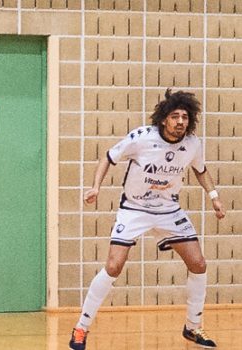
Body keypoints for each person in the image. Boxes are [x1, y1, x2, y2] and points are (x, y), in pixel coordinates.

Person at [72, 89, 225, 349]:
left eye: (185, 117)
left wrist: (214, 196)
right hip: (134, 210)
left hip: (169, 211)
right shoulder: (142, 137)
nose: (180, 122)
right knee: (113, 266)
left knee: (198, 263)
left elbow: (201, 170)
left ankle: (193, 326)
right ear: (164, 119)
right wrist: (95, 187)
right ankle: (81, 327)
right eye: (175, 116)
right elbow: (108, 157)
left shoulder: (192, 143)